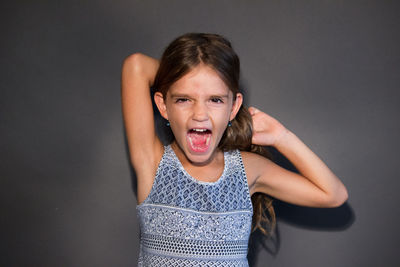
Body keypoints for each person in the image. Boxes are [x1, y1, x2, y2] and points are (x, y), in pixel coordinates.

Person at [121, 33, 348, 266]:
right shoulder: (153, 163)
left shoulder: (247, 169)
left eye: (215, 100)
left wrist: (283, 137)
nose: (200, 114)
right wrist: (189, 72)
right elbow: (136, 66)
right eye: (183, 99)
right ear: (163, 105)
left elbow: (333, 194)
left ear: (233, 107)